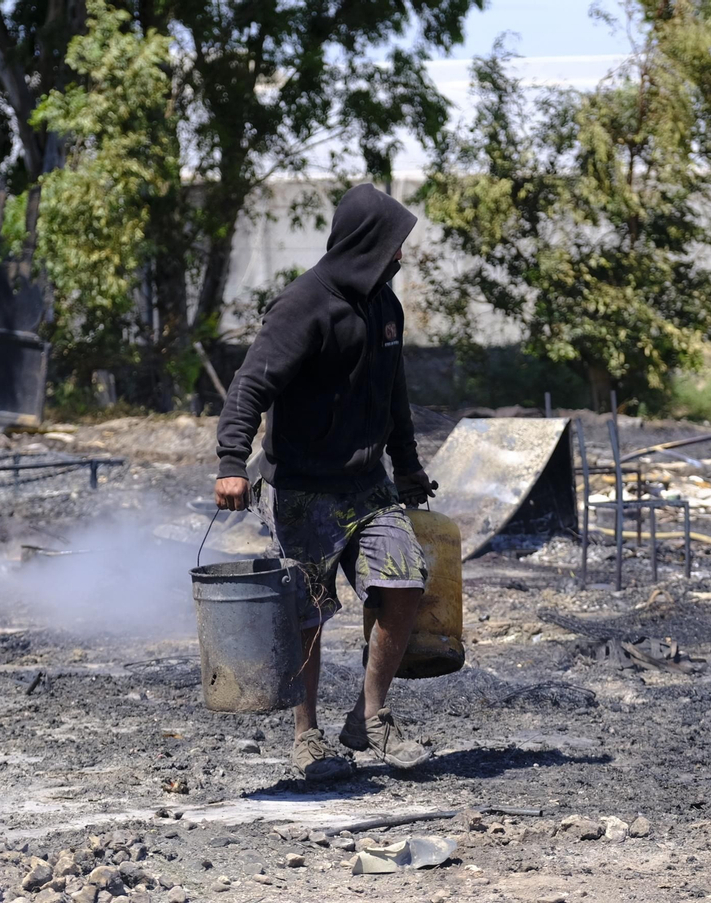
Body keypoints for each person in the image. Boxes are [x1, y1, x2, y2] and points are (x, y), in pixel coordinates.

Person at [215, 183, 437, 781]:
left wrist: (408, 463)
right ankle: (307, 737)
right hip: (304, 486)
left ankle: (370, 719)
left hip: (368, 483)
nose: (400, 257)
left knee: (405, 582)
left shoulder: (383, 307)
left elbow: (394, 394)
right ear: (368, 243)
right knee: (309, 611)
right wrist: (232, 464)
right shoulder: (302, 306)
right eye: (394, 245)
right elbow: (250, 386)